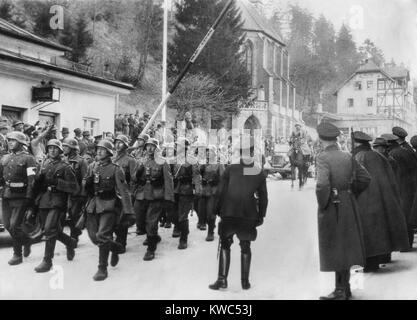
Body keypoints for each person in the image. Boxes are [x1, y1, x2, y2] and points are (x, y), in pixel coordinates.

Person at [315, 122, 371, 300]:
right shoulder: (348, 155)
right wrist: (351, 193)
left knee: (336, 246)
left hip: (333, 204)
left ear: (320, 138)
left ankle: (340, 291)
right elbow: (365, 178)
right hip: (348, 202)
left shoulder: (323, 157)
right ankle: (346, 288)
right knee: (348, 246)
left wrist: (323, 203)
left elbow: (322, 184)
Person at [209, 139, 268, 291]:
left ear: (240, 153)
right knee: (246, 246)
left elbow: (220, 192)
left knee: (225, 244)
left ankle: (222, 280)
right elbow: (263, 198)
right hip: (248, 215)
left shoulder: (230, 169)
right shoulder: (258, 172)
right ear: (253, 153)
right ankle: (245, 282)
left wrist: (215, 210)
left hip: (228, 213)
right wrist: (261, 216)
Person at [352, 131, 409, 272]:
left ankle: (368, 264)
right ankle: (378, 260)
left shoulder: (359, 156)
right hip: (383, 198)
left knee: (367, 232)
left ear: (357, 143)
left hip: (365, 199)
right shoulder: (379, 156)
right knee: (379, 230)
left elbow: (355, 180)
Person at [83, 140, 134, 281]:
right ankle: (115, 247)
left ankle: (102, 268)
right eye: (98, 149)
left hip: (109, 205)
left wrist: (129, 212)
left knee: (102, 235)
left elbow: (124, 191)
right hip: (94, 204)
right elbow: (86, 187)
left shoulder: (116, 169)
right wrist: (86, 183)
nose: (99, 152)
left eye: (102, 150)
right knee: (94, 237)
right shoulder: (92, 166)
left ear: (109, 153)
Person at [33, 139, 79, 273]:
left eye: (55, 148)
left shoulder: (65, 167)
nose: (52, 150)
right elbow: (38, 184)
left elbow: (74, 187)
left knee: (49, 229)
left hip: (57, 201)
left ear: (60, 151)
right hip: (44, 201)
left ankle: (47, 261)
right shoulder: (44, 164)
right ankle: (70, 243)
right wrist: (38, 179)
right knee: (51, 230)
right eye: (50, 148)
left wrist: (56, 182)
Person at [132, 138, 174, 260]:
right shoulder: (141, 161)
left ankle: (151, 249)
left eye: (152, 146)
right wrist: (138, 171)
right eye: (148, 146)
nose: (150, 148)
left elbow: (168, 181)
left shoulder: (162, 162)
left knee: (151, 222)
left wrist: (168, 199)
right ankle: (153, 236)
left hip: (156, 194)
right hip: (141, 194)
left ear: (157, 148)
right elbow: (134, 178)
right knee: (139, 220)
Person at [0, 131, 37, 265]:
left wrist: (29, 196)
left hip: (21, 196)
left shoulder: (28, 158)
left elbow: (32, 180)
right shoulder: (5, 158)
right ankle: (27, 241)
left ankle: (17, 255)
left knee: (15, 225)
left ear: (21, 143)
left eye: (13, 140)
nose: (10, 142)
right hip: (7, 195)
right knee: (8, 225)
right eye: (9, 140)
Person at [384, 133, 417, 249]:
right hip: (410, 188)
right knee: (408, 215)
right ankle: (408, 243)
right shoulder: (407, 151)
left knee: (400, 216)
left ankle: (403, 245)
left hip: (399, 188)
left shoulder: (392, 154)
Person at [171, 137, 202, 249]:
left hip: (186, 189)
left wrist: (197, 190)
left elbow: (197, 176)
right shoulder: (173, 160)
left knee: (183, 215)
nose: (177, 148)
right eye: (176, 146)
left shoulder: (191, 160)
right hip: (174, 190)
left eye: (179, 146)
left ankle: (183, 238)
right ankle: (178, 227)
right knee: (172, 214)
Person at [112, 135, 136, 261]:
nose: (117, 145)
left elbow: (133, 179)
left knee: (122, 220)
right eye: (116, 142)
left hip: (123, 193)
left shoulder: (130, 160)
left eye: (120, 143)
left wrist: (130, 193)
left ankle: (122, 243)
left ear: (126, 145)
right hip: (111, 192)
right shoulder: (111, 158)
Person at [62, 138, 88, 245]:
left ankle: (74, 237)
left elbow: (84, 178)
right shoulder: (63, 160)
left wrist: (82, 194)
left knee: (74, 215)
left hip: (76, 194)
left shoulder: (82, 161)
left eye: (66, 147)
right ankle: (76, 232)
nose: (64, 148)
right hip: (64, 192)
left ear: (73, 148)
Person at [198, 145, 225, 241]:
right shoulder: (203, 164)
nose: (208, 154)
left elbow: (223, 179)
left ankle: (210, 232)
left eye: (210, 152)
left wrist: (220, 192)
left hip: (213, 192)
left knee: (210, 213)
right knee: (201, 212)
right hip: (204, 190)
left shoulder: (219, 164)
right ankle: (204, 224)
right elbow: (197, 175)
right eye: (207, 152)